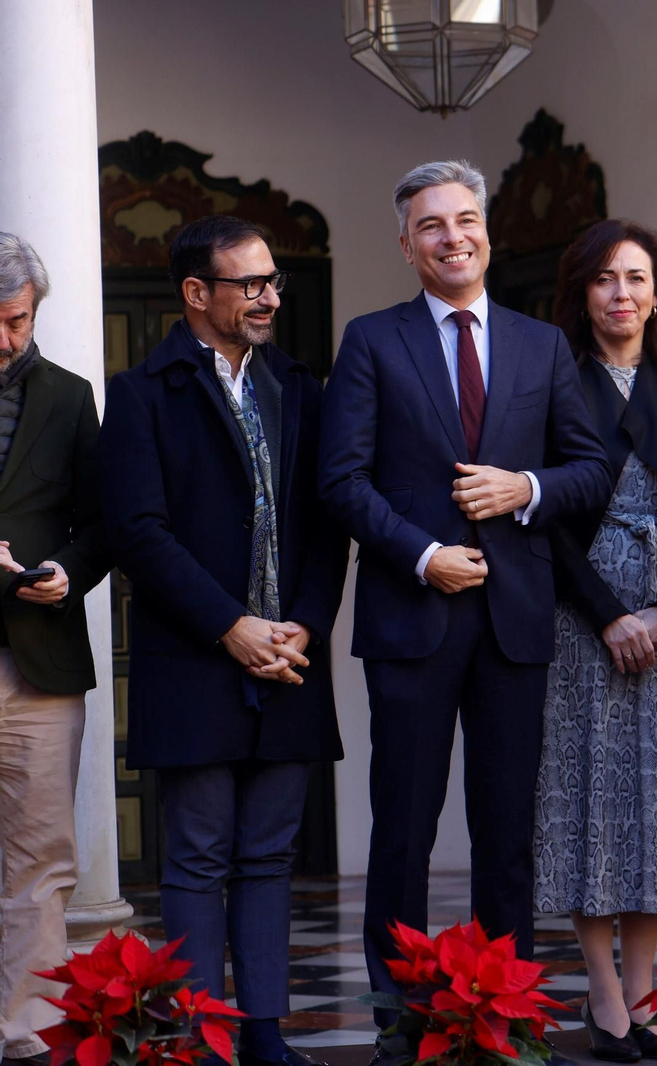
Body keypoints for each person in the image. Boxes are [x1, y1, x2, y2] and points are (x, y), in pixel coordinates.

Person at [318, 161, 612, 1046]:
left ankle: (504, 1023)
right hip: (412, 619)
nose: (454, 237)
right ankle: (399, 1025)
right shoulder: (372, 340)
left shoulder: (541, 344)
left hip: (516, 622)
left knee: (507, 836)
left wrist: (526, 487)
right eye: (432, 225)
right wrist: (423, 554)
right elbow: (342, 481)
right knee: (403, 831)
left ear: (487, 231)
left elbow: (590, 469)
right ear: (406, 245)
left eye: (466, 220)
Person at [100, 216, 348, 1066]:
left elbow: (328, 525)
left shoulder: (302, 388)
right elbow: (138, 533)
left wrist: (304, 623)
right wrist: (229, 626)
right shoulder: (141, 393)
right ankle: (200, 1038)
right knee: (199, 857)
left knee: (271, 855)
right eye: (250, 284)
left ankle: (266, 1034)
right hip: (195, 660)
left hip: (291, 658)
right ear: (197, 293)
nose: (269, 296)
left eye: (273, 280)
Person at [534, 219, 657, 1062]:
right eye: (605, 278)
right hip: (582, 618)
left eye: (637, 278)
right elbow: (541, 516)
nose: (622, 293)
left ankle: (644, 995)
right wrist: (608, 613)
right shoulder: (551, 384)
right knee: (592, 799)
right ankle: (603, 992)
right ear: (582, 294)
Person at [0, 234, 110, 1066]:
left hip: (38, 660)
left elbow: (102, 524)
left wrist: (66, 573)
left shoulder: (71, 398)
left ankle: (27, 1035)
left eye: (17, 321)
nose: (4, 339)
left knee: (40, 859)